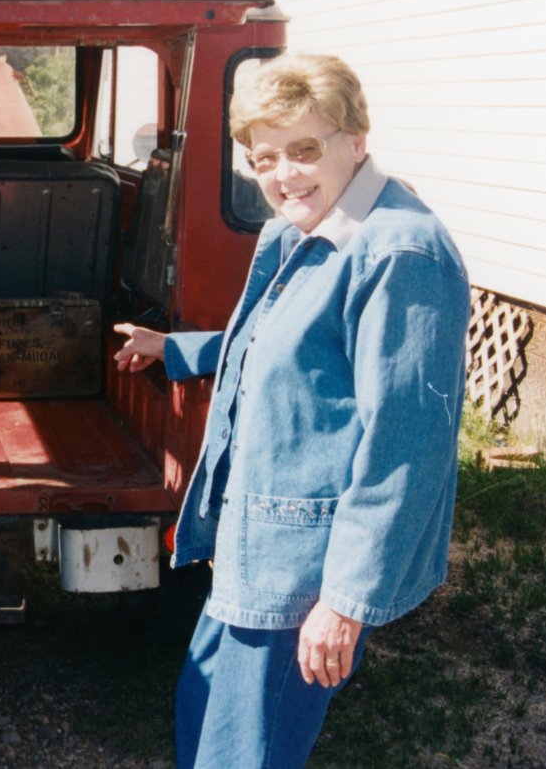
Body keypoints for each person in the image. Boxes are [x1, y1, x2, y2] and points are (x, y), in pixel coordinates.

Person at [113, 52, 471, 767]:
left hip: (305, 569)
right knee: (205, 714)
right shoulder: (299, 231)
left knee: (244, 752)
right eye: (264, 156)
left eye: (304, 150)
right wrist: (178, 348)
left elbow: (405, 447)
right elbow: (284, 342)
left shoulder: (399, 253)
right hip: (254, 543)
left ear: (356, 138)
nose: (283, 174)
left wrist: (343, 603)